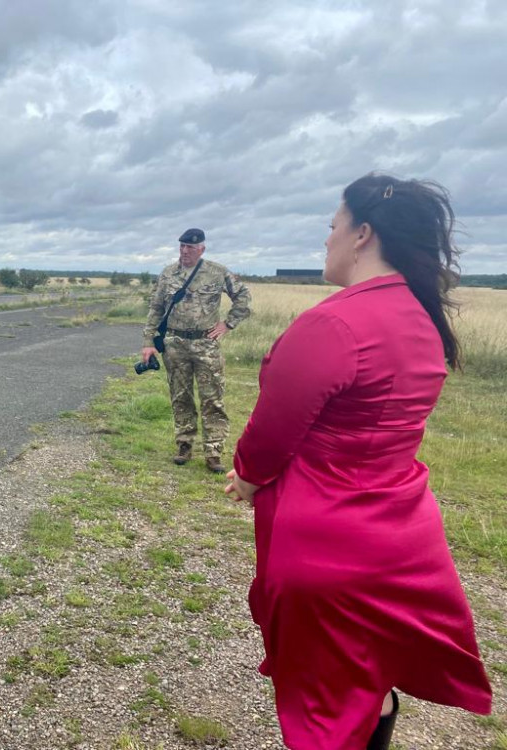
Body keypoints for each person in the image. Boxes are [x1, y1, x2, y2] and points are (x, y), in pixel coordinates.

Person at [226, 174, 492, 749]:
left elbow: (272, 433)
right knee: (367, 681)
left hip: (329, 540)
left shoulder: (333, 323)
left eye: (332, 227)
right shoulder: (419, 318)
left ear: (362, 234)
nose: (326, 241)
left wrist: (246, 477)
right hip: (399, 532)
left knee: (325, 709)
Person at [141, 228, 251, 472]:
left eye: (190, 247)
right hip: (175, 344)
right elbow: (155, 308)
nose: (184, 251)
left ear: (201, 248)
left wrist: (228, 323)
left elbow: (243, 296)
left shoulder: (217, 272)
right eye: (181, 246)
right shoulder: (169, 273)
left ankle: (213, 452)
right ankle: (184, 444)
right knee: (181, 397)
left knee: (213, 399)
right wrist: (149, 342)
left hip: (205, 344)